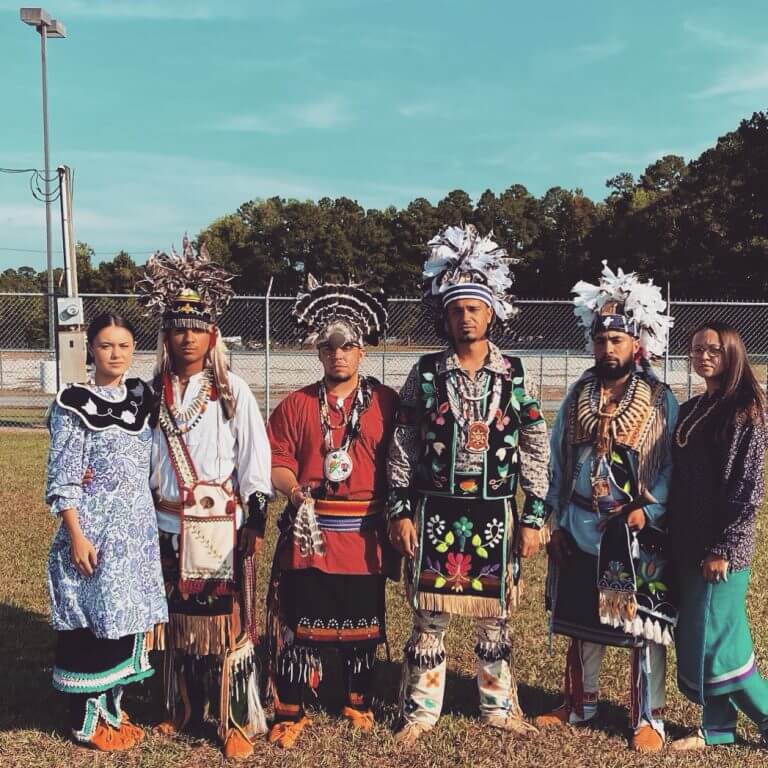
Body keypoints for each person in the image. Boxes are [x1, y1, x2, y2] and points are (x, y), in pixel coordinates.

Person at [387, 224, 550, 745]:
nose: (465, 318)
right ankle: (420, 709)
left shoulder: (514, 375)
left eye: (474, 308)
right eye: (456, 309)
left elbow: (535, 446)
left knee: (496, 619)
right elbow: (404, 442)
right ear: (446, 314)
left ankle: (498, 706)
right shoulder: (428, 372)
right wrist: (399, 509)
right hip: (436, 509)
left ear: (492, 312)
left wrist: (533, 517)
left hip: (496, 513)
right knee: (429, 616)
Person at [137, 237, 271, 760]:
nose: (187, 337)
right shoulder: (151, 393)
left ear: (211, 334)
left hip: (220, 529)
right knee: (173, 620)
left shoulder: (232, 390)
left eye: (196, 328)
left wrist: (255, 512)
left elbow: (253, 455)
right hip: (166, 524)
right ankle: (181, 705)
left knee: (229, 622)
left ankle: (235, 718)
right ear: (166, 335)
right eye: (178, 328)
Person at [536, 262, 678, 753]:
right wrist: (553, 518)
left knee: (642, 626)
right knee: (582, 621)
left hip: (635, 529)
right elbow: (558, 459)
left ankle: (649, 718)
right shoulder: (579, 395)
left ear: (636, 343)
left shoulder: (660, 398)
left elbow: (669, 465)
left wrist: (650, 510)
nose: (607, 348)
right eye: (600, 340)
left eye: (617, 340)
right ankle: (580, 704)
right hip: (580, 524)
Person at [264, 275, 399, 749]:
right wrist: (294, 490)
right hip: (311, 529)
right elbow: (276, 461)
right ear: (318, 353)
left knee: (362, 620)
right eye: (328, 347)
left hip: (365, 535)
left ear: (363, 351)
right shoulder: (297, 405)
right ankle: (291, 708)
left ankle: (356, 701)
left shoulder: (387, 403)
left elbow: (403, 465)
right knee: (300, 624)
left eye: (347, 347)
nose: (337, 355)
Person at [45, 312, 167, 751]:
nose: (115, 354)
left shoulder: (142, 399)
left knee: (123, 619)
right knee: (93, 620)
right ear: (91, 349)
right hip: (94, 531)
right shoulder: (74, 403)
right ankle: (87, 720)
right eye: (106, 345)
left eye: (124, 346)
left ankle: (113, 709)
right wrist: (76, 533)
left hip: (134, 533)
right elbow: (64, 475)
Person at [669, 322, 768, 750]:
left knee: (720, 642)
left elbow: (748, 488)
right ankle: (720, 729)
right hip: (688, 545)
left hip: (721, 550)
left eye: (713, 349)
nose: (703, 356)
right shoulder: (693, 408)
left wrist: (725, 547)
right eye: (696, 350)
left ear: (732, 354)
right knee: (699, 636)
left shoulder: (745, 409)